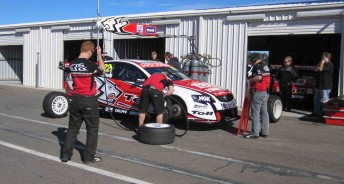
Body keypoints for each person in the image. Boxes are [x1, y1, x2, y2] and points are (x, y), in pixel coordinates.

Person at [61, 41, 105, 164]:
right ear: (90, 51)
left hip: (75, 98)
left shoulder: (72, 64)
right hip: (88, 100)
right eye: (92, 52)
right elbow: (103, 70)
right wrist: (100, 55)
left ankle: (65, 155)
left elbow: (67, 71)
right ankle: (88, 157)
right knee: (92, 129)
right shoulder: (90, 65)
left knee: (73, 128)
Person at [245, 53, 271, 139]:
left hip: (258, 91)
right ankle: (265, 132)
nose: (250, 63)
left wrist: (251, 80)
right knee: (264, 112)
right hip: (265, 92)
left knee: (255, 112)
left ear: (254, 59)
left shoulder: (258, 66)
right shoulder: (265, 66)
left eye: (251, 60)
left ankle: (255, 133)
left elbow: (259, 77)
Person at [309, 52, 334, 118]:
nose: (322, 59)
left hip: (325, 85)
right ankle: (316, 111)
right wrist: (320, 62)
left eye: (323, 57)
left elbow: (320, 69)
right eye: (322, 57)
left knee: (324, 100)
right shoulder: (321, 63)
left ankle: (324, 112)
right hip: (319, 85)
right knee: (316, 99)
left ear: (327, 57)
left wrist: (322, 63)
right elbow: (315, 69)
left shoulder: (330, 65)